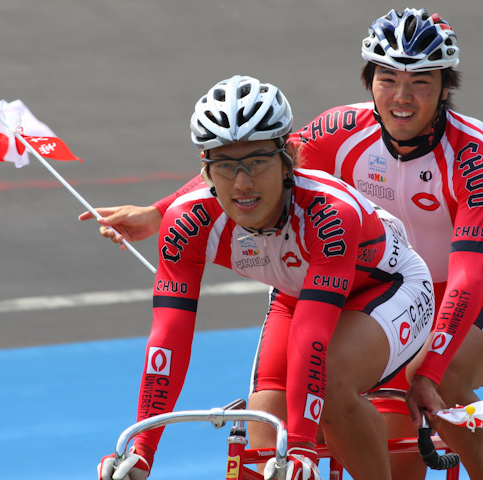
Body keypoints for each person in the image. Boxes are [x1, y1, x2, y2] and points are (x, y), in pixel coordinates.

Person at [85, 9, 483, 480]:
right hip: (344, 276)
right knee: (267, 433)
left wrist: (426, 372)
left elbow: (465, 276)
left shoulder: (475, 156)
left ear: (446, 87)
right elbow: (243, 156)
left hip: (482, 285)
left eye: (421, 81)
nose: (402, 97)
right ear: (369, 81)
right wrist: (160, 213)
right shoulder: (336, 130)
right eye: (388, 79)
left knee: (434, 379)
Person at [96, 74, 436, 480]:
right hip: (298, 293)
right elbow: (168, 338)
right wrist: (142, 449)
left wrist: (302, 447)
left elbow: (312, 337)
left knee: (327, 389)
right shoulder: (185, 224)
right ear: (205, 172)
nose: (242, 183)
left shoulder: (329, 214)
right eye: (225, 165)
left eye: (257, 161)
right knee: (265, 428)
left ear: (288, 156)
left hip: (388, 287)